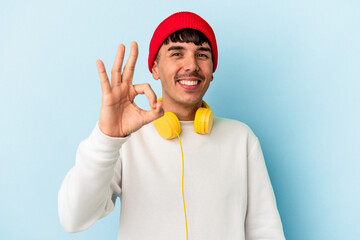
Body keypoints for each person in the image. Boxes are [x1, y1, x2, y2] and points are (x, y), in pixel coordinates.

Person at [58, 11, 286, 240]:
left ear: (212, 71)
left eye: (203, 55)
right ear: (155, 68)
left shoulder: (241, 139)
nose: (192, 65)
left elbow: (265, 231)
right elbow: (74, 218)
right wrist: (107, 138)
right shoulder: (126, 139)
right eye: (177, 53)